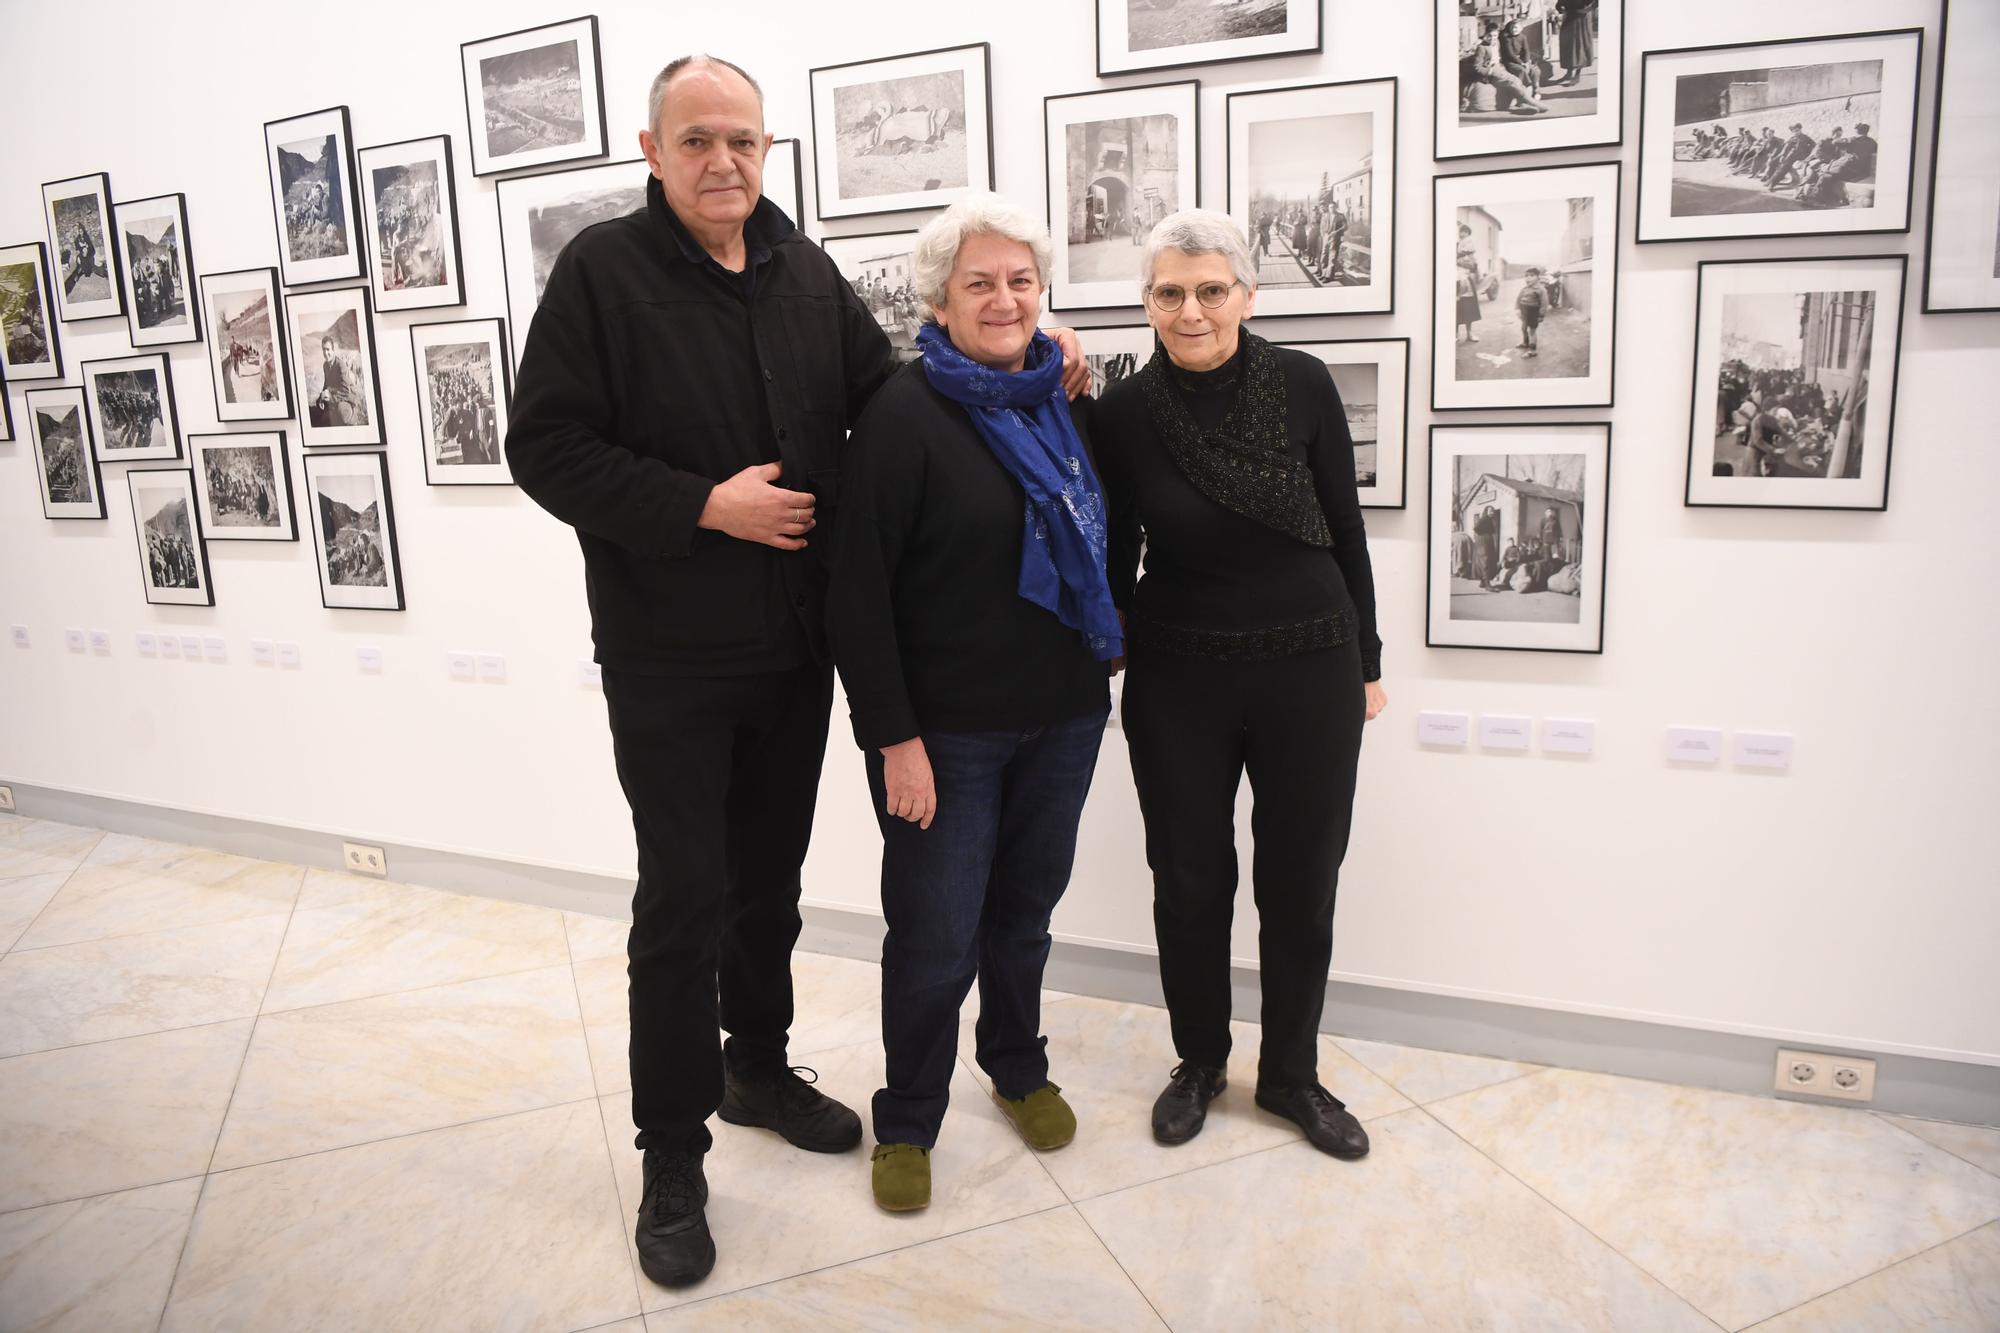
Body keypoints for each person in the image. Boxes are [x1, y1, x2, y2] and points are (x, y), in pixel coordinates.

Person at [506, 53, 1085, 1290]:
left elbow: (891, 396)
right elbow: (543, 446)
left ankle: (754, 1067)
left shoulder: (801, 269)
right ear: (652, 151)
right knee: (683, 901)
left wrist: (1026, 346)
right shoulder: (602, 274)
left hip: (791, 650)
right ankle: (672, 1154)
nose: (724, 162)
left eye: (744, 142)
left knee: (767, 884)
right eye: (699, 140)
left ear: (768, 152)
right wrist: (701, 506)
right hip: (667, 652)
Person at [827, 196, 1119, 1214]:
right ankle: (907, 1115)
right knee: (934, 935)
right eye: (979, 282)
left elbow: (1102, 536)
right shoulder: (904, 417)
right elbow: (855, 595)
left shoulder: (1063, 396)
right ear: (939, 298)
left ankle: (1016, 1064)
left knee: (1023, 915)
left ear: (1043, 295)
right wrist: (892, 740)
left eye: (1020, 281)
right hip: (944, 734)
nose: (1003, 300)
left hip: (1065, 716)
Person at [1094, 210, 1387, 1161]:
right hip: (1180, 674)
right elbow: (1116, 547)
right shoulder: (1125, 412)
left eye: (1210, 289)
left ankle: (1292, 1075)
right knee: (1189, 880)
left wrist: (1368, 662)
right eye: (1170, 292)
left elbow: (1344, 526)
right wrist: (1108, 641)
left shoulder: (1301, 383)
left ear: (1246, 296)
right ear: (1147, 301)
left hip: (1310, 665)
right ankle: (1200, 1062)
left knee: (1300, 882)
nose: (1190, 310)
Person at [1553, 0, 1597, 85]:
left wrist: (1589, 9)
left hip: (1582, 19)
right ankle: (1569, 73)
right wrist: (1560, 8)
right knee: (1567, 45)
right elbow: (1559, 4)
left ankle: (1577, 74)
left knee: (1579, 45)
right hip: (1570, 17)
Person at [1516, 266, 1548, 358]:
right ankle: (1525, 343)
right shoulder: (1525, 288)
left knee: (1532, 331)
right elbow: (1518, 299)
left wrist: (1541, 315)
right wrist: (1517, 309)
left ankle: (1533, 350)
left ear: (1538, 277)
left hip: (1534, 313)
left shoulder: (1541, 290)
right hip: (1524, 312)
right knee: (1523, 328)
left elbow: (1544, 303)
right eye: (1526, 276)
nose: (1528, 278)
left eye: (1531, 275)